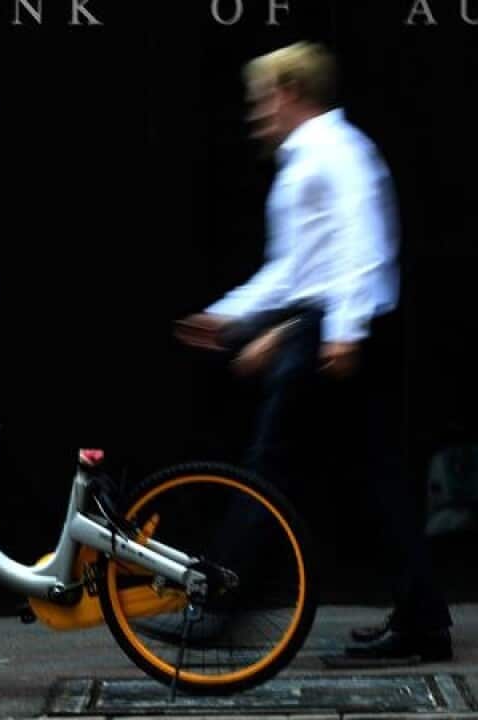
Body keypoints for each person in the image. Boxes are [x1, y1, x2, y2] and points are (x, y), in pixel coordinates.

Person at [174, 41, 453, 662]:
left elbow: (365, 244)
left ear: (291, 91)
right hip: (328, 327)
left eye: (262, 99)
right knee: (373, 476)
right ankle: (423, 619)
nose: (255, 114)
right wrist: (230, 316)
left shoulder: (334, 153)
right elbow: (293, 270)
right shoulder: (316, 156)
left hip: (335, 329)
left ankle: (220, 604)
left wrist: (342, 330)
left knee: (270, 466)